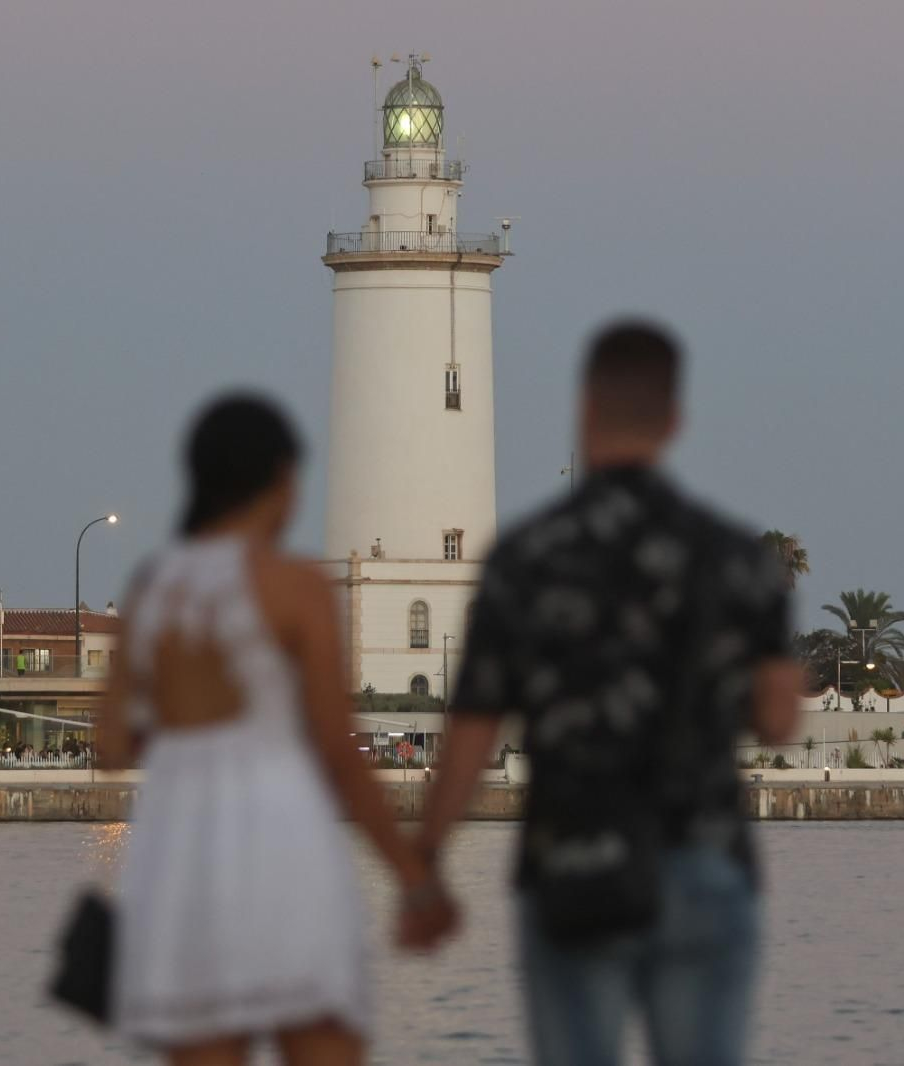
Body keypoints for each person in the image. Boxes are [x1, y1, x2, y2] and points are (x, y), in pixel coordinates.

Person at [415, 321, 802, 1066]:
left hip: (573, 865)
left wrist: (426, 864)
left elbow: (470, 734)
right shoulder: (733, 558)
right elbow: (779, 719)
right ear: (675, 421)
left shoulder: (525, 558)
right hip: (704, 858)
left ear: (584, 408)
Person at [94, 394, 451, 1065]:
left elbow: (110, 746)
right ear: (282, 480)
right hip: (280, 847)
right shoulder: (293, 584)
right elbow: (339, 754)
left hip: (179, 856)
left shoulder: (150, 588)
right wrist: (414, 878)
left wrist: (183, 735)